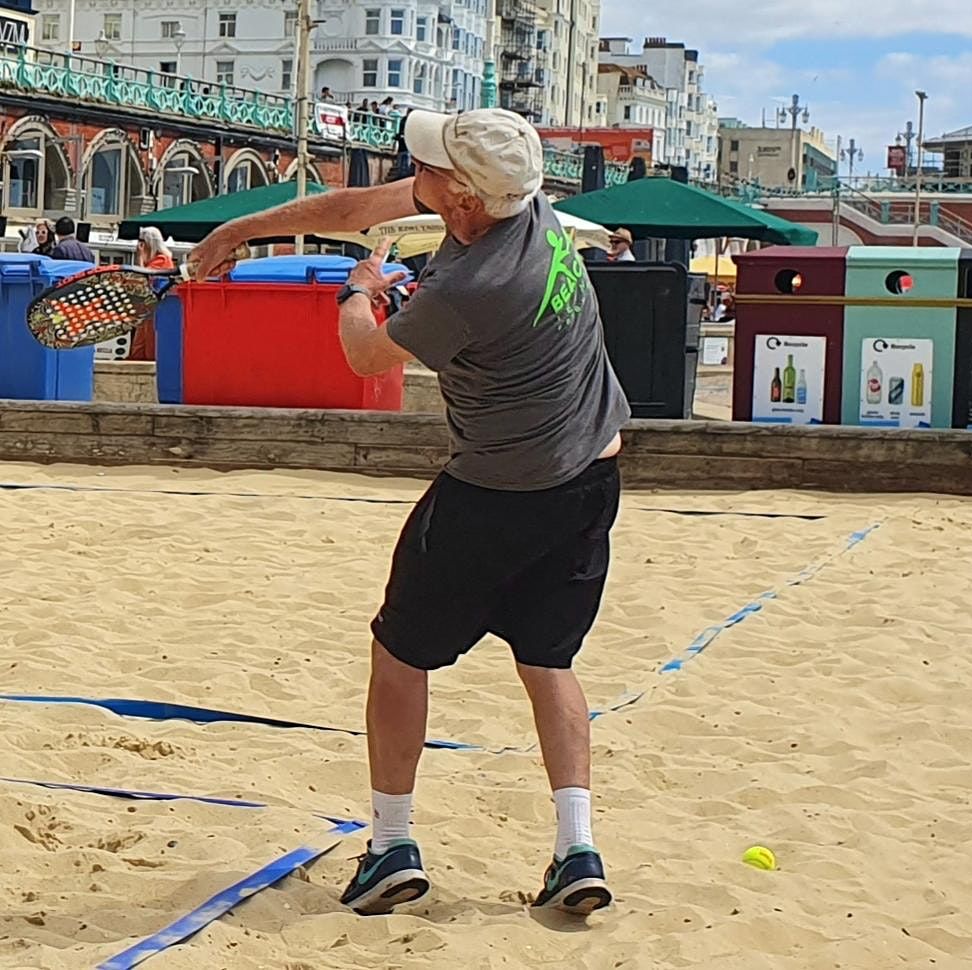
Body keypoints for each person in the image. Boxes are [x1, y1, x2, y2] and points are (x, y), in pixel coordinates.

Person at [189, 108, 630, 918]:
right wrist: (240, 229)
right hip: (591, 480)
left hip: (497, 493)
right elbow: (355, 207)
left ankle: (391, 843)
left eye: (421, 166)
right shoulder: (521, 206)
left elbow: (364, 358)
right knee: (547, 661)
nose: (408, 174)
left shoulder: (470, 289)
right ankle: (577, 848)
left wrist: (358, 292)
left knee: (399, 654)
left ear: (458, 195)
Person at [128, 227, 174, 361]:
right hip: (147, 310)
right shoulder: (155, 261)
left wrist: (140, 258)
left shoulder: (162, 261)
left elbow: (143, 278)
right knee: (139, 347)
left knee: (149, 348)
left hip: (156, 310)